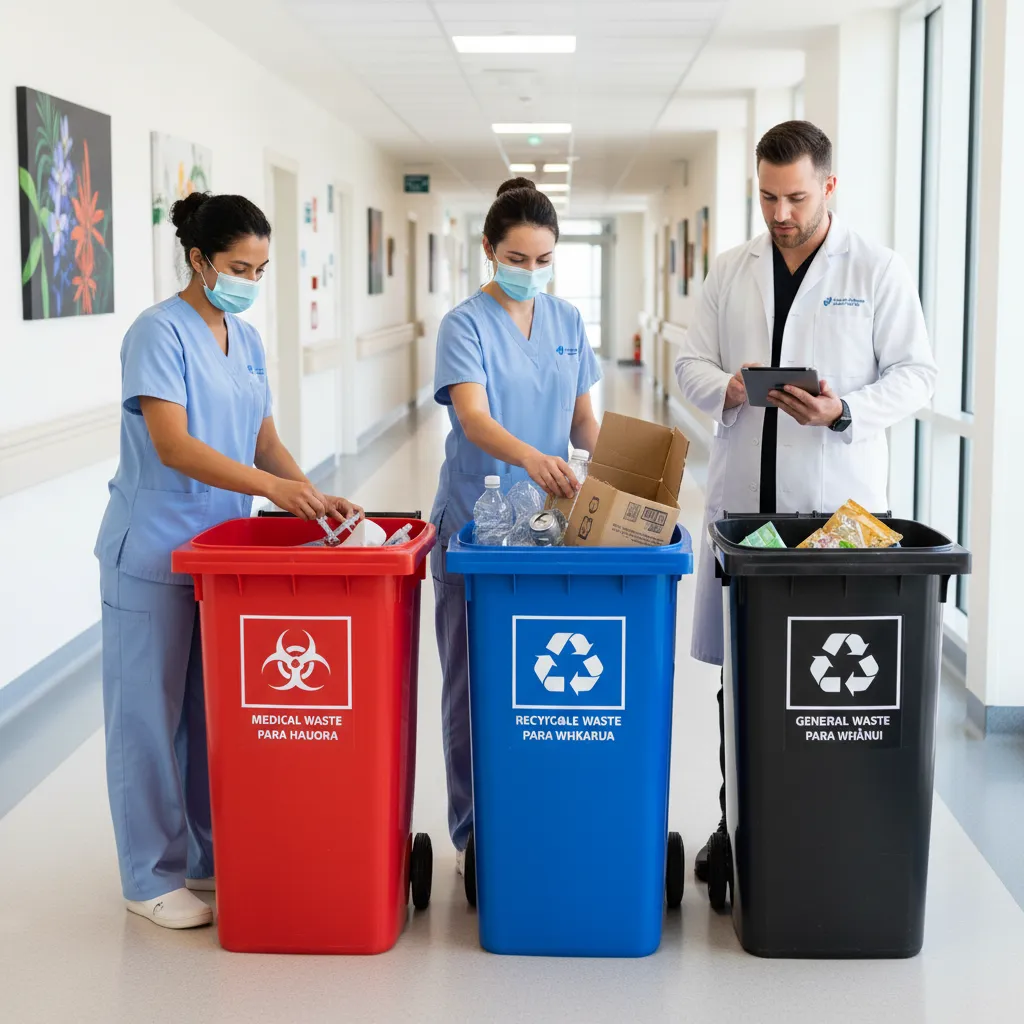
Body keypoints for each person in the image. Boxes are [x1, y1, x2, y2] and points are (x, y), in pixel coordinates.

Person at [675, 121, 938, 881]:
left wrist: (844, 410)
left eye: (794, 196)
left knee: (823, 685)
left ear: (828, 186)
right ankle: (738, 832)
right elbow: (691, 360)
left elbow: (918, 373)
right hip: (746, 520)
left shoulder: (876, 268)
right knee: (746, 683)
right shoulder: (731, 270)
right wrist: (726, 386)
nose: (780, 212)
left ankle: (827, 840)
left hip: (834, 514)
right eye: (766, 196)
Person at [94, 192, 360, 929]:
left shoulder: (243, 340)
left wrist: (309, 494)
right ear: (199, 259)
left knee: (212, 717)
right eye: (238, 266)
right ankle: (148, 874)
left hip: (221, 557)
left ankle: (207, 857)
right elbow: (174, 444)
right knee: (146, 716)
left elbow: (263, 439)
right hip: (150, 549)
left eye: (261, 268)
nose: (248, 279)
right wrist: (273, 489)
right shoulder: (158, 332)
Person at [430, 178, 602, 870]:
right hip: (477, 521)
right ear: (488, 250)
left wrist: (627, 463)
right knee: (472, 685)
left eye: (542, 259)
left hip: (551, 527)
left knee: (538, 685)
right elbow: (473, 418)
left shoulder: (567, 322)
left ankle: (541, 814)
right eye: (517, 258)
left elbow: (583, 423)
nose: (530, 273)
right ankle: (478, 834)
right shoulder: (463, 325)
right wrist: (535, 460)